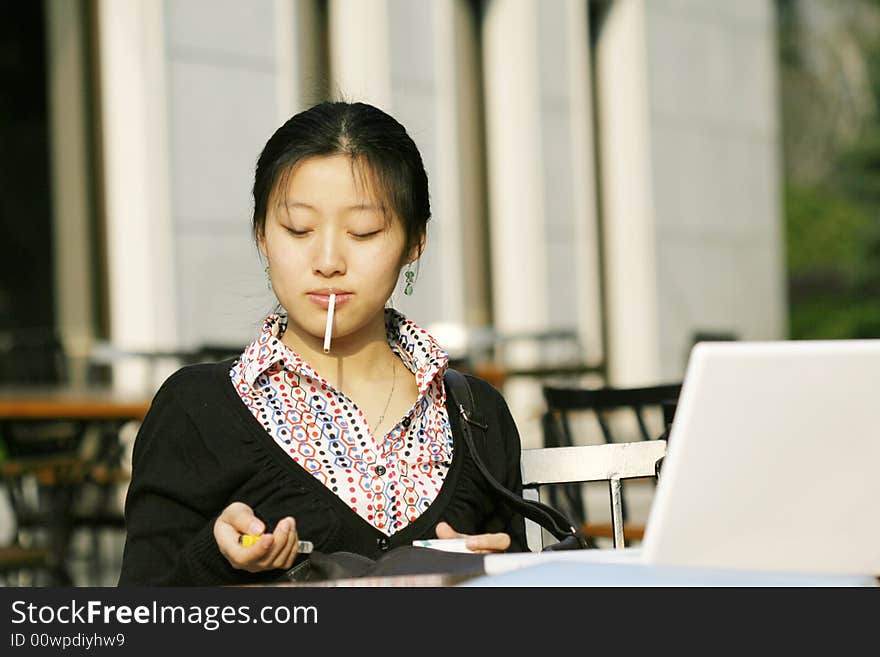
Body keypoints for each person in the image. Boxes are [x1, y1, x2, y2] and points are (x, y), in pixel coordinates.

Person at [118, 101, 528, 586]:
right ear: (262, 237)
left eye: (364, 232)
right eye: (298, 229)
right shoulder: (196, 410)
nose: (328, 260)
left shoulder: (474, 413)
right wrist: (214, 555)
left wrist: (495, 575)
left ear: (415, 242)